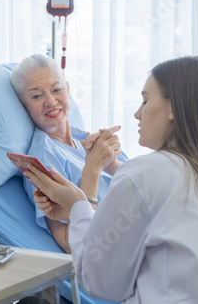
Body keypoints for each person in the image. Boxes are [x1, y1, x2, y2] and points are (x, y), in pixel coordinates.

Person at [24, 56, 198, 303]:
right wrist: (104, 173)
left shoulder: (142, 171)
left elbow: (100, 282)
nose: (137, 113)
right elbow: (161, 195)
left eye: (145, 100)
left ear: (173, 108)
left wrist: (79, 205)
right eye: (35, 96)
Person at [10, 54, 128, 253]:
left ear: (68, 90)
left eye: (57, 89)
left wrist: (112, 164)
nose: (50, 101)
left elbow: (145, 188)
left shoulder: (86, 139)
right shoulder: (44, 161)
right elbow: (69, 243)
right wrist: (92, 170)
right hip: (120, 253)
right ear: (24, 106)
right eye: (36, 96)